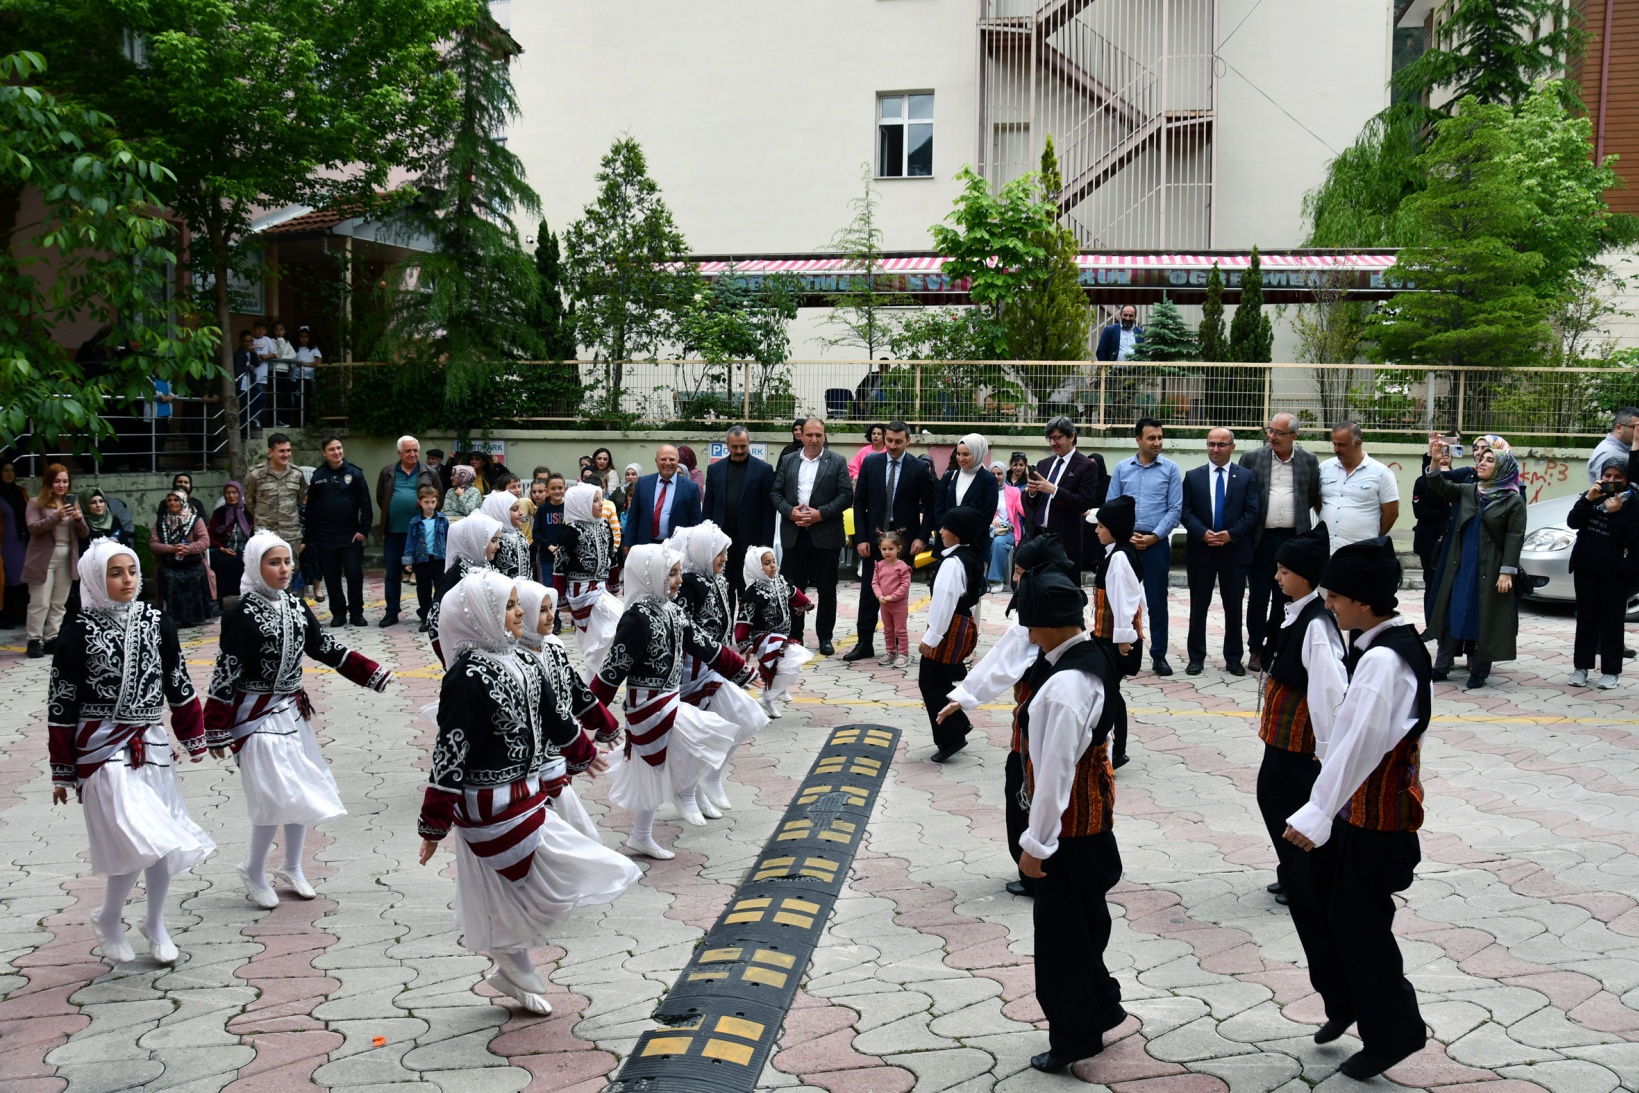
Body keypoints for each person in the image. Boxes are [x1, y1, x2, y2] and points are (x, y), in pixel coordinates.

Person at [418, 572, 637, 1016]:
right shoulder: (465, 677)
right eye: (509, 606)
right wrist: (433, 824)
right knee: (517, 888)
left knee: (527, 887)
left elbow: (555, 715)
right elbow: (451, 750)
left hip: (527, 794)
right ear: (481, 616)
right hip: (486, 806)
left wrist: (583, 750)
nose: (520, 613)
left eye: (519, 604)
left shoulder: (524, 660)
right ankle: (513, 964)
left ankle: (511, 965)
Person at [1283, 535, 1430, 1081]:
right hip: (1354, 812)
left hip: (1375, 822)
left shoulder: (1385, 661)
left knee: (1361, 927)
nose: (1328, 605)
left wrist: (1317, 812)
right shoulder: (1379, 648)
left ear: (1364, 601)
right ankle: (1344, 999)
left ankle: (1393, 1032)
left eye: (1336, 597)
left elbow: (1360, 746)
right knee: (1307, 890)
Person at [48, 540, 214, 967]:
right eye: (115, 573)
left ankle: (153, 922)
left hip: (150, 744)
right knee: (138, 834)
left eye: (133, 571)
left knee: (159, 839)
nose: (127, 580)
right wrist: (62, 769)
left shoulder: (156, 621)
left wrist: (193, 735)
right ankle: (109, 916)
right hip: (100, 748)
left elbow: (177, 679)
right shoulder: (78, 629)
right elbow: (62, 700)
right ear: (94, 578)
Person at [206, 531, 391, 909]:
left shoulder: (295, 605)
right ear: (255, 567)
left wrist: (368, 672)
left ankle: (291, 866)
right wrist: (214, 729)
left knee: (299, 789)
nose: (284, 569)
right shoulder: (240, 614)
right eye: (274, 563)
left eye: (287, 561)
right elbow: (226, 672)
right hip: (255, 716)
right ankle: (254, 868)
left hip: (291, 713)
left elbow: (322, 647)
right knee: (274, 793)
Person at [1011, 565, 1126, 1074]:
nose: (1027, 634)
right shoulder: (1091, 655)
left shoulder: (1064, 689)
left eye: (1030, 624)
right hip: (1092, 824)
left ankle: (1075, 1037)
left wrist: (1036, 844)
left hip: (1069, 832)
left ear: (1050, 625)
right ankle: (1102, 1005)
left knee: (1061, 940)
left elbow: (1054, 773)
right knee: (1087, 923)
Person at [937, 533, 1080, 899]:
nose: (1015, 579)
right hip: (1049, 725)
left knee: (1026, 789)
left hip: (1038, 725)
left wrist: (966, 695)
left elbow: (1005, 659)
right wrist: (965, 696)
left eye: (1019, 572)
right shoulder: (1068, 606)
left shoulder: (1038, 617)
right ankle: (1051, 867)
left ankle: (1036, 870)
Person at [590, 545, 754, 858]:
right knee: (705, 735)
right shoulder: (636, 619)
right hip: (647, 707)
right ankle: (685, 793)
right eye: (672, 573)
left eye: (678, 572)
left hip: (669, 700)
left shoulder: (673, 611)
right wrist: (596, 717)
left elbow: (705, 645)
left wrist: (741, 670)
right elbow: (612, 671)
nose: (679, 580)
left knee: (656, 770)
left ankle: (642, 835)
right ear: (651, 576)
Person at [1253, 524, 1344, 907]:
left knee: (1286, 802)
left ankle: (1306, 878)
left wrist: (1325, 749)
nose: (1277, 577)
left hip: (1300, 739)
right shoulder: (1295, 613)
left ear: (1305, 576)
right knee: (1273, 798)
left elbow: (1328, 690)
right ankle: (1291, 871)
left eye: (1284, 571)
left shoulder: (1316, 626)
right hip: (1281, 735)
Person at [670, 523, 770, 811]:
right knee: (701, 734)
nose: (725, 558)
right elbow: (685, 633)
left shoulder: (720, 580)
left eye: (726, 552)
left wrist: (735, 652)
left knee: (746, 717)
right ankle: (686, 789)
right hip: (693, 670)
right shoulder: (689, 585)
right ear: (702, 552)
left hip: (717, 665)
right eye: (719, 553)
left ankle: (710, 776)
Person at [1421, 439, 1526, 689]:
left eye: (1490, 460)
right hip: (1461, 565)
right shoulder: (1470, 490)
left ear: (1503, 468)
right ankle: (1441, 666)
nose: (1482, 462)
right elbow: (1439, 486)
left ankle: (1479, 671)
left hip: (1490, 568)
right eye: (1482, 459)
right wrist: (1434, 460)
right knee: (1452, 613)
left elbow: (1515, 537)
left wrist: (1506, 572)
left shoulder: (1513, 500)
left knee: (1483, 617)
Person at [846, 420, 934, 663]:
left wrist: (921, 537)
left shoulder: (918, 468)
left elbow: (931, 505)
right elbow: (859, 503)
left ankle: (896, 646)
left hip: (904, 542)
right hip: (874, 539)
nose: (893, 446)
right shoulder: (871, 463)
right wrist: (861, 538)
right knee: (869, 592)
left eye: (898, 441)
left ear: (908, 441)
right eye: (889, 441)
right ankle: (864, 643)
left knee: (897, 595)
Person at [1240, 413, 1323, 669]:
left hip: (1292, 539)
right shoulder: (1252, 458)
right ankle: (1255, 648)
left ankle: (1275, 646)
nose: (1272, 436)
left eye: (1279, 432)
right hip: (1260, 538)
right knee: (1258, 596)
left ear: (1294, 436)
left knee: (1284, 596)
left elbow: (1312, 496)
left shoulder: (1308, 461)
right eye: (1271, 430)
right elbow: (1243, 494)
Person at [1181, 428, 1262, 676]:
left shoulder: (1246, 477)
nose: (1215, 449)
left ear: (1232, 447)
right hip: (1201, 550)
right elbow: (1185, 511)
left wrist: (1231, 535)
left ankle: (1233, 658)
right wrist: (1202, 533)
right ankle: (1196, 657)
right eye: (1211, 444)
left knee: (1233, 607)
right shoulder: (1193, 476)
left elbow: (1252, 512)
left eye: (1221, 445)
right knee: (1198, 607)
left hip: (1234, 552)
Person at [1106, 418, 1182, 676]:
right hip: (1126, 544)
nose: (1157, 442)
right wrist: (1125, 537)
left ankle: (1159, 655)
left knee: (1157, 601)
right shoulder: (1122, 468)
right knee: (1120, 598)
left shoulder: (1171, 469)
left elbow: (1175, 509)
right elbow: (1112, 504)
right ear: (1138, 439)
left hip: (1155, 543)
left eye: (1160, 437)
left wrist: (1154, 537)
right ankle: (1120, 651)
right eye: (1151, 438)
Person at [771, 418, 854, 655]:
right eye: (809, 435)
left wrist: (820, 514)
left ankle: (825, 637)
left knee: (827, 590)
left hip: (825, 534)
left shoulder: (837, 461)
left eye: (819, 435)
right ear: (801, 436)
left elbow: (846, 495)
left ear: (825, 436)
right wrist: (790, 511)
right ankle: (795, 636)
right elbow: (775, 492)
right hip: (794, 534)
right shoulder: (789, 460)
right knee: (793, 589)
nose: (814, 439)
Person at [919, 505, 988, 763]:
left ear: (957, 533)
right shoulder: (969, 556)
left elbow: (943, 602)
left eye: (945, 528)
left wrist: (932, 638)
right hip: (961, 625)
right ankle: (958, 723)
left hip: (947, 628)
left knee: (930, 682)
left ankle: (951, 737)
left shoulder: (952, 562)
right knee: (940, 680)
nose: (940, 532)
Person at [1568, 463, 1639, 689]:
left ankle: (1611, 671)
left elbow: (1629, 538)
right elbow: (1573, 522)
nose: (1611, 480)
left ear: (1626, 480)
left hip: (1615, 573)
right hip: (1586, 569)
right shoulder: (1591, 495)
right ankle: (1581, 667)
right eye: (1607, 475)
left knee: (1612, 621)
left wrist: (1616, 513)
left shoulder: (1632, 502)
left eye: (1618, 477)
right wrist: (1588, 499)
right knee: (1586, 619)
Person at [1089, 497, 1145, 769]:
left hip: (1114, 639)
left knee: (1111, 693)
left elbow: (1126, 601)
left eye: (1101, 526)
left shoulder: (1120, 558)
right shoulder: (1116, 553)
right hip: (1109, 636)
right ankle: (1112, 746)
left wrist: (1124, 638)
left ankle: (1117, 750)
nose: (1096, 530)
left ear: (1115, 529)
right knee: (1111, 690)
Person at [1020, 417, 1106, 580]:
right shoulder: (1044, 464)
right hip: (1038, 537)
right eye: (1050, 438)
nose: (1053, 443)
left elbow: (1083, 503)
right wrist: (1031, 492)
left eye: (1058, 438)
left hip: (1065, 542)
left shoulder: (1086, 465)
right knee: (1036, 588)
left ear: (1071, 436)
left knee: (1064, 590)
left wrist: (1055, 490)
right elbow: (1031, 504)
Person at [703, 426, 777, 614]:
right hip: (722, 542)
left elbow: (769, 511)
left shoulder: (764, 470)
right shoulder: (714, 469)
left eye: (743, 446)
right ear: (727, 445)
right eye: (734, 446)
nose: (738, 451)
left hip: (751, 541)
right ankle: (726, 626)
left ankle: (748, 626)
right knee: (723, 588)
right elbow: (708, 507)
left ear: (749, 443)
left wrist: (765, 545)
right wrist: (705, 539)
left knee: (749, 588)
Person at [555, 484, 624, 677]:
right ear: (581, 504)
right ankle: (594, 680)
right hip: (581, 592)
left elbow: (612, 557)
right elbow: (560, 567)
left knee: (602, 635)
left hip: (601, 589)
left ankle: (591, 681)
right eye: (595, 500)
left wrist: (613, 585)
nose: (601, 504)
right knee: (609, 628)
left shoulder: (604, 525)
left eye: (601, 499)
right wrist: (561, 601)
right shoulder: (569, 532)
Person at [738, 546, 813, 717]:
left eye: (773, 561)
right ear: (756, 567)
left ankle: (774, 695)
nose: (772, 565)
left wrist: (805, 604)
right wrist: (744, 642)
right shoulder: (753, 592)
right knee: (793, 656)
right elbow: (744, 620)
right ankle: (768, 696)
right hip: (764, 638)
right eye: (767, 563)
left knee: (785, 666)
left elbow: (794, 594)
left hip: (781, 636)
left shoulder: (780, 581)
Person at [306, 436, 373, 627]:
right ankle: (338, 613)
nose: (336, 452)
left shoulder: (355, 473)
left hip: (350, 534)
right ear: (324, 453)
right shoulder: (318, 476)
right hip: (325, 535)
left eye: (339, 448)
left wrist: (363, 530)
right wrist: (311, 536)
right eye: (331, 449)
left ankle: (357, 613)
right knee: (331, 575)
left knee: (354, 573)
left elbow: (365, 504)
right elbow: (311, 508)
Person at [25, 463, 89, 658]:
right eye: (57, 481)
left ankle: (52, 638)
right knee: (39, 601)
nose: (61, 485)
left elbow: (84, 533)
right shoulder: (36, 503)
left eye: (65, 481)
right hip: (43, 558)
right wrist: (56, 517)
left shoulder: (72, 504)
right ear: (49, 482)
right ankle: (34, 640)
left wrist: (78, 519)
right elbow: (33, 527)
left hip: (67, 556)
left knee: (59, 602)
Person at [427, 513, 503, 665]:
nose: (498, 546)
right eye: (493, 541)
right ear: (475, 541)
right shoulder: (456, 574)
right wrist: (452, 658)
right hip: (470, 653)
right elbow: (435, 621)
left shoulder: (486, 566)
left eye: (497, 540)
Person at [1318, 422, 1399, 553]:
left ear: (1358, 443)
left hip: (1362, 552)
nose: (1336, 449)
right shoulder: (1325, 468)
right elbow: (1319, 503)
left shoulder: (1381, 473)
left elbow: (1391, 513)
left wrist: (1372, 537)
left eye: (1342, 445)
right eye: (1334, 444)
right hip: (1326, 549)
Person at [242, 433, 306, 593]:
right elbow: (250, 502)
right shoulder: (255, 474)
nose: (286, 454)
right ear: (270, 452)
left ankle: (289, 605)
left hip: (290, 534)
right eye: (281, 451)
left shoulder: (297, 474)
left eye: (288, 450)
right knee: (265, 572)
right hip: (266, 534)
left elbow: (299, 501)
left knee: (290, 572)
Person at [150, 491, 212, 627]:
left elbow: (205, 541)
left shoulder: (195, 520)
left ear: (183, 502)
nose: (172, 503)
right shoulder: (160, 522)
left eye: (176, 500)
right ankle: (174, 617)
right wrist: (172, 548)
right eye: (170, 500)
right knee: (169, 577)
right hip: (170, 562)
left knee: (196, 575)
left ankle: (196, 616)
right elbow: (154, 544)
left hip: (192, 561)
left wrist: (188, 549)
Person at [623, 445, 703, 551]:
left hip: (676, 548)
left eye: (672, 459)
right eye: (663, 459)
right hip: (645, 545)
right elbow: (633, 516)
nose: (668, 463)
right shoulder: (643, 483)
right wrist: (628, 542)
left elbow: (695, 523)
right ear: (656, 461)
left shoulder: (691, 488)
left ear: (678, 461)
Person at [934, 433, 1001, 539]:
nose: (961, 458)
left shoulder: (989, 480)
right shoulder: (949, 477)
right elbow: (939, 508)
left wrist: (965, 539)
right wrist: (944, 532)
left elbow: (987, 515)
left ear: (977, 453)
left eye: (966, 454)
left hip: (974, 543)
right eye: (958, 454)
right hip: (946, 541)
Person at [403, 486, 449, 632]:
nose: (430, 505)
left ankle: (438, 616)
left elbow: (448, 539)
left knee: (440, 588)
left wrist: (450, 558)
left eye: (433, 502)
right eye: (426, 502)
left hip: (439, 559)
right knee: (423, 589)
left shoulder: (442, 520)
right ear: (420, 502)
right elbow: (410, 542)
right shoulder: (414, 522)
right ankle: (425, 617)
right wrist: (408, 562)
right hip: (421, 560)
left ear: (437, 502)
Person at [210, 481, 254, 610]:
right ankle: (221, 599)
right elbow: (210, 535)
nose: (231, 495)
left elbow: (256, 531)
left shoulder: (248, 511)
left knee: (248, 561)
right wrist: (221, 548)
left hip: (246, 549)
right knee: (220, 562)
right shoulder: (219, 513)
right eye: (228, 493)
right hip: (224, 549)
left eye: (234, 492)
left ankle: (249, 597)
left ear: (239, 494)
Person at [873, 532, 913, 668]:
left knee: (900, 630)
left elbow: (905, 585)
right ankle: (890, 651)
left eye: (891, 549)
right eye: (884, 549)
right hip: (885, 604)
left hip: (899, 605)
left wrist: (893, 596)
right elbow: (875, 583)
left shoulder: (903, 567)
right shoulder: (879, 565)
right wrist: (879, 595)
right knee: (888, 629)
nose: (887, 552)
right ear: (879, 548)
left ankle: (903, 654)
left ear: (899, 548)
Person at [989, 461, 1026, 592]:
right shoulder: (985, 490)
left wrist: (1029, 497)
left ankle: (996, 580)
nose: (996, 477)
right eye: (993, 474)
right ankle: (981, 580)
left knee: (999, 542)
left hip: (1008, 530)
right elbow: (980, 510)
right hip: (988, 529)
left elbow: (1022, 511)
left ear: (1004, 474)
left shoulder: (1014, 491)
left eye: (999, 474)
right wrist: (991, 519)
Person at [0, 461, 28, 629]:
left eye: (12, 470)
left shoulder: (20, 492)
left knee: (23, 578)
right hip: (4, 544)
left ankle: (22, 616)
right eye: (5, 470)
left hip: (22, 542)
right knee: (7, 579)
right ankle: (6, 617)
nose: (9, 473)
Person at [482, 489, 531, 579]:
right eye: (515, 509)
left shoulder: (519, 534)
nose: (521, 513)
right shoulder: (493, 539)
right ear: (501, 512)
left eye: (520, 508)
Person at [531, 473, 567, 588]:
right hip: (547, 556)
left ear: (565, 489)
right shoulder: (542, 509)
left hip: (566, 556)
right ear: (547, 491)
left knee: (565, 587)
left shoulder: (569, 507)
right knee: (549, 587)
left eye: (560, 488)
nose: (557, 491)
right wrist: (549, 546)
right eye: (553, 488)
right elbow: (536, 533)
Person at [1588, 407, 1639, 485]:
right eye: (1636, 427)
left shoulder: (1627, 448)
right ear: (1619, 428)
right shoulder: (1608, 453)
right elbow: (1607, 488)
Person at [233, 329, 266, 431]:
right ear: (241, 342)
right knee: (244, 408)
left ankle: (249, 420)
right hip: (241, 386)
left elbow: (257, 363)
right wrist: (248, 368)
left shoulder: (250, 352)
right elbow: (238, 371)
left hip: (249, 384)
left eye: (251, 341)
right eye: (246, 341)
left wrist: (254, 352)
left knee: (261, 398)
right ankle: (244, 430)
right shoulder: (238, 354)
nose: (249, 343)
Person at [291, 326, 322, 427]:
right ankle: (298, 422)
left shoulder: (313, 349)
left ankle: (308, 420)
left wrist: (305, 364)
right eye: (301, 336)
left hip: (308, 378)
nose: (303, 339)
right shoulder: (295, 349)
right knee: (297, 399)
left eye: (306, 336)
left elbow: (318, 362)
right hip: (296, 378)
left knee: (307, 399)